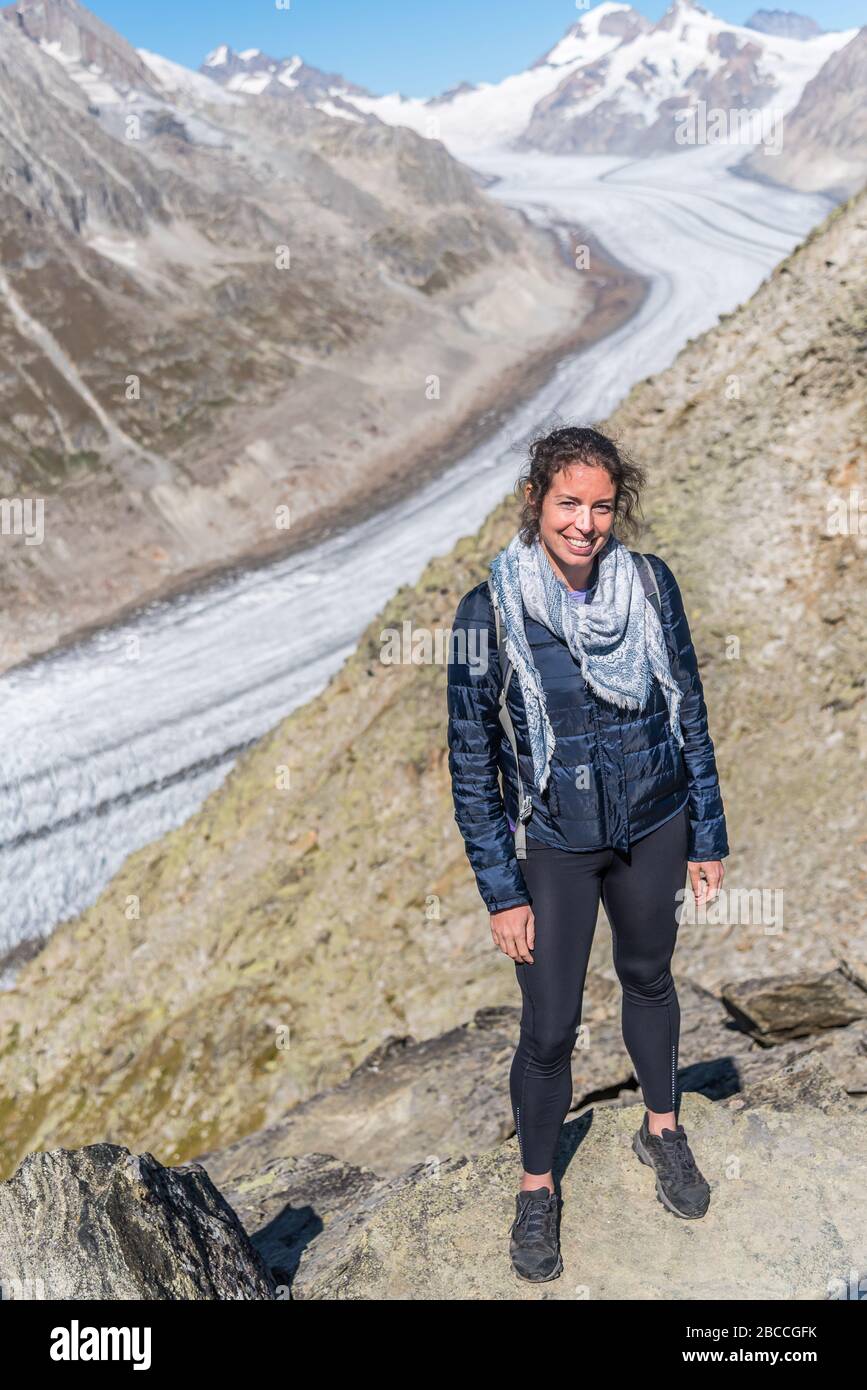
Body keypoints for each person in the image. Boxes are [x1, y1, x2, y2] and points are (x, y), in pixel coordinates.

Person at [446, 425, 728, 1283]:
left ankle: (662, 1131)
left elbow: (687, 707)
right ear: (536, 501)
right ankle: (537, 1190)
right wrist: (501, 889)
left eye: (601, 505)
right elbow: (471, 757)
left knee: (648, 977)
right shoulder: (487, 610)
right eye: (569, 502)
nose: (585, 522)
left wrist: (706, 833)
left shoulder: (648, 584)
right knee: (549, 1025)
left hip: (653, 823)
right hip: (557, 846)